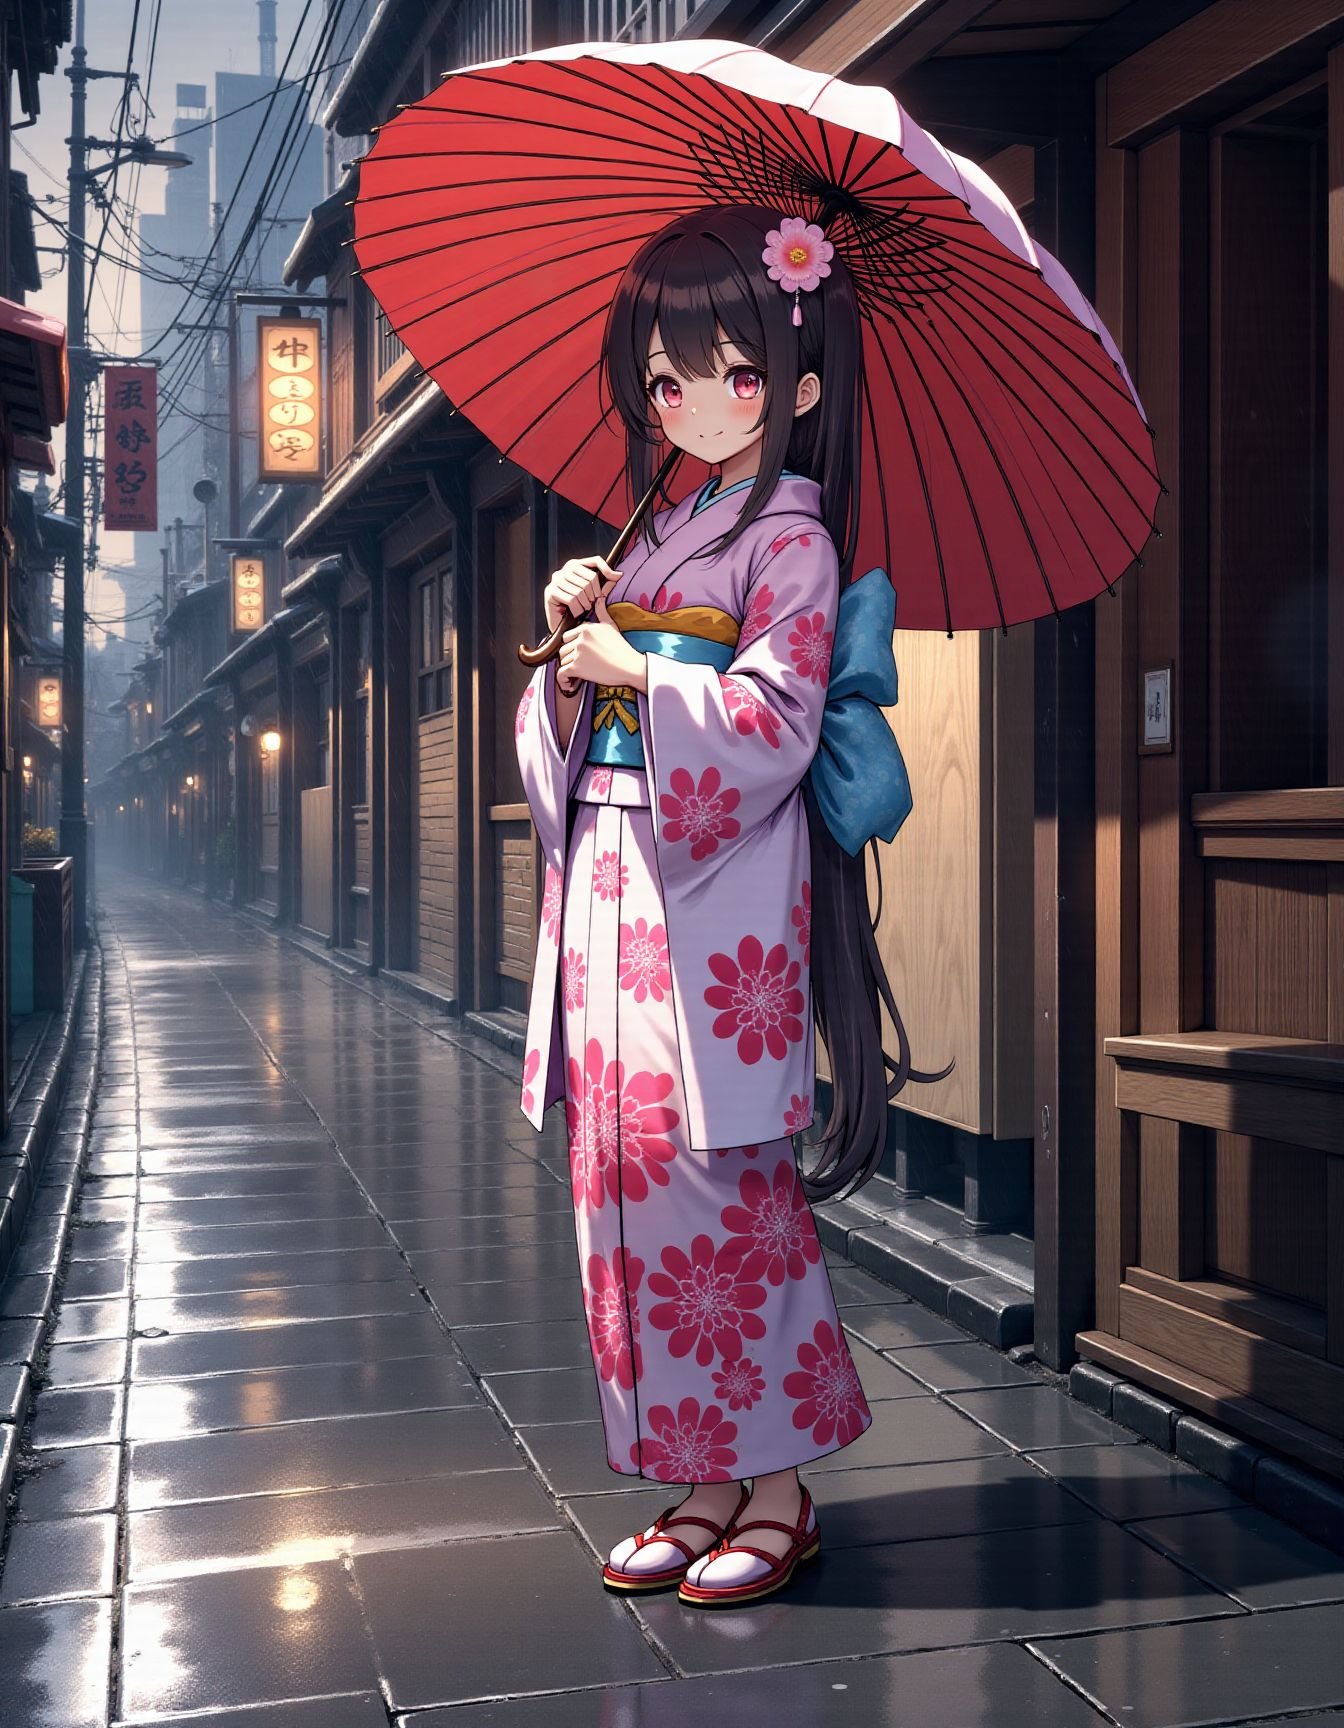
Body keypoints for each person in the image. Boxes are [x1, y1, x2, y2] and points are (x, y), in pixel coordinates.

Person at [514, 203, 952, 1608]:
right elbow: (557, 739)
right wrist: (573, 649)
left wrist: (639, 675)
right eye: (662, 377)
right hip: (613, 882)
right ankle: (698, 1479)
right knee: (624, 1182)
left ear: (801, 383)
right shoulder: (655, 537)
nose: (688, 401)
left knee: (722, 1192)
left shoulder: (792, 548)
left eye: (730, 371)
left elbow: (771, 721)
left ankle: (779, 1485)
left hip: (712, 904)